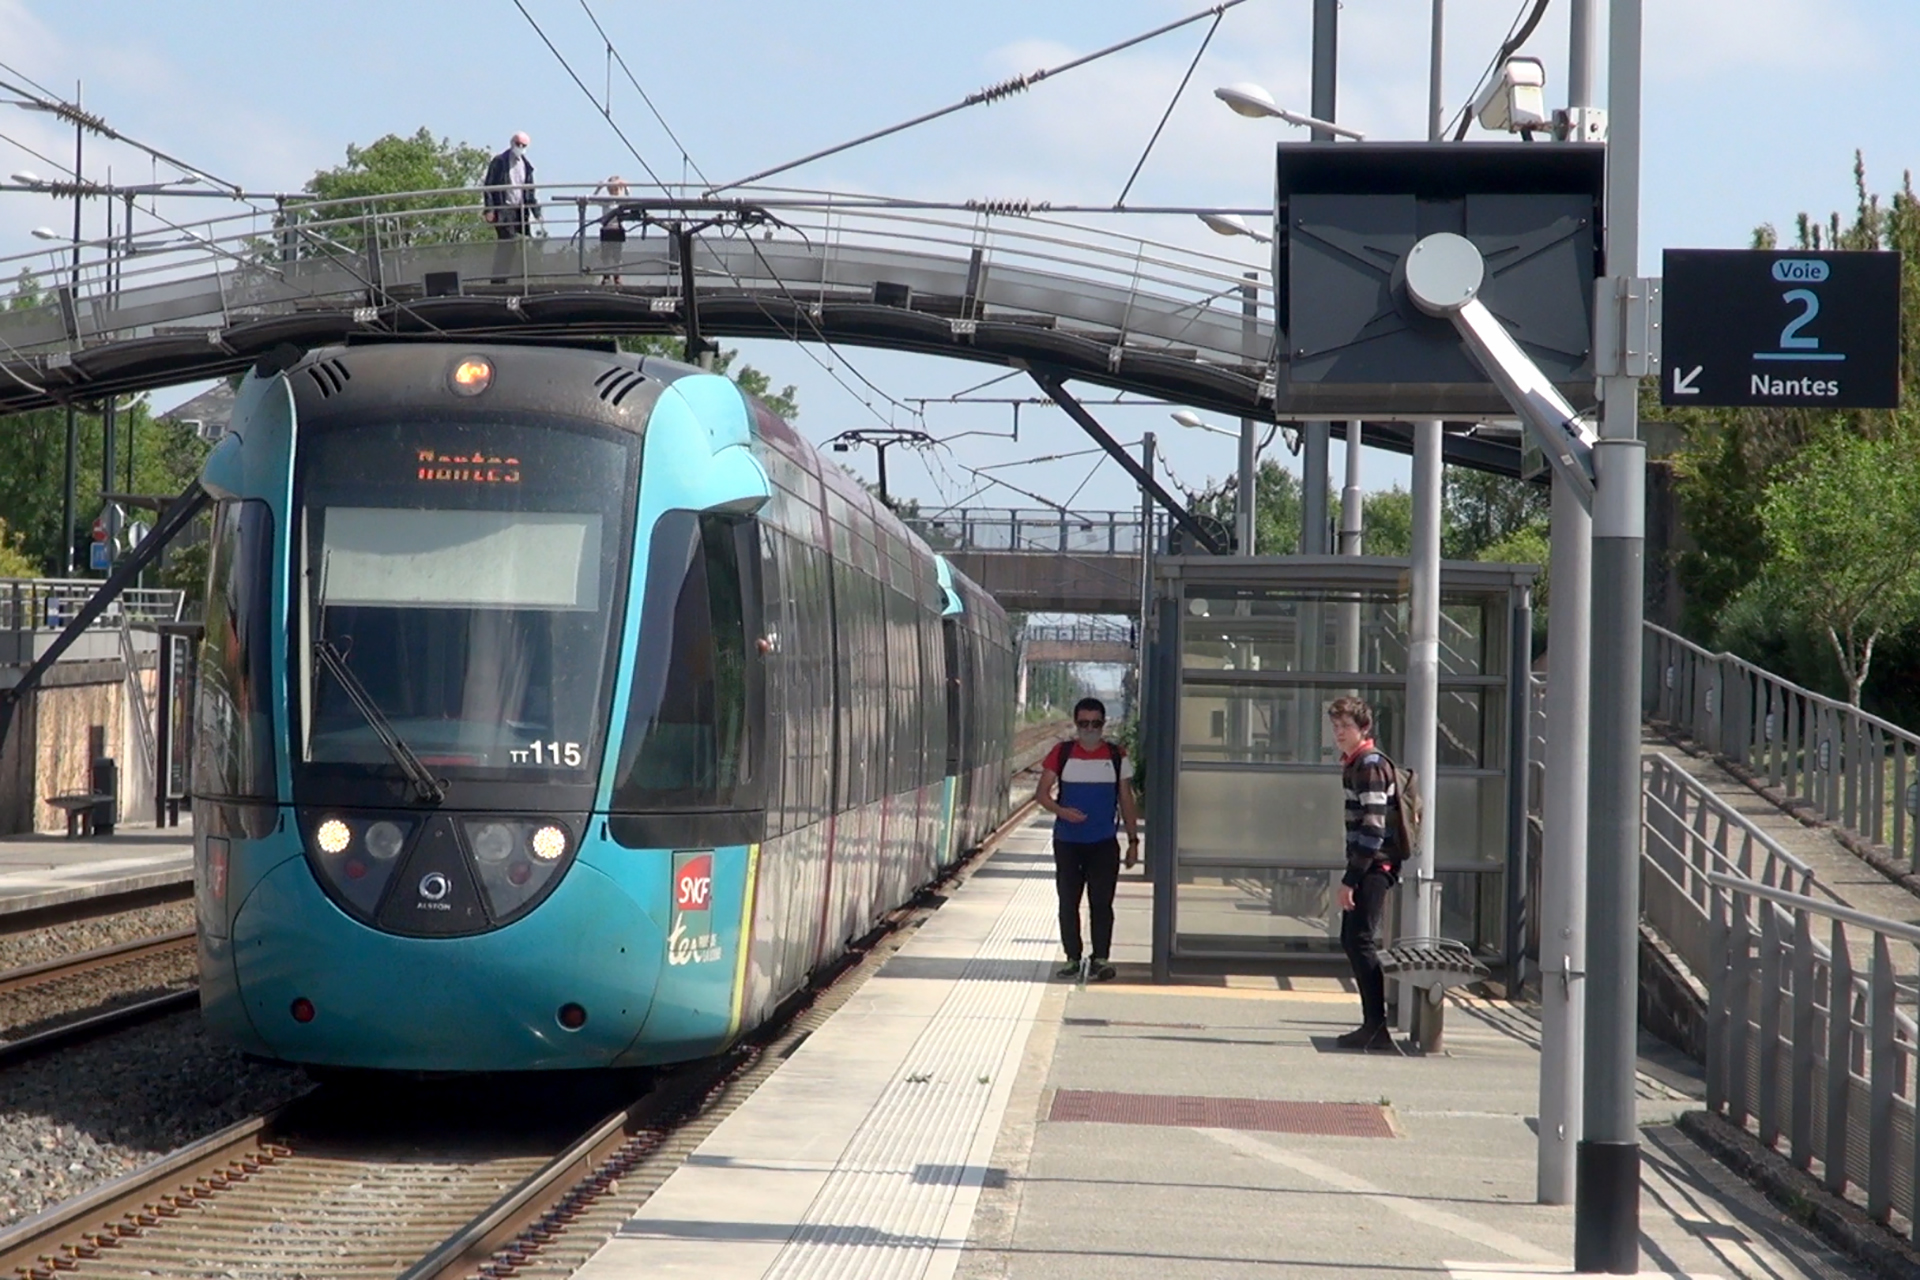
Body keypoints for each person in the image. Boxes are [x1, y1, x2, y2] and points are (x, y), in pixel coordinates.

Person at [1036, 697, 1139, 982]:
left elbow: (1126, 800)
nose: (1089, 729)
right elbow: (1042, 794)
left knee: (1101, 902)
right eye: (1084, 723)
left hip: (1104, 842)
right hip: (1068, 841)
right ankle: (1072, 957)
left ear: (1103, 724)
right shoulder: (1062, 753)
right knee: (1068, 900)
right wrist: (1061, 812)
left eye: (1095, 723)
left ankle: (1101, 958)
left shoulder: (1117, 756)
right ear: (1076, 723)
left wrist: (1133, 841)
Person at [1329, 695, 1402, 1051]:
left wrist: (1350, 879)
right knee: (1353, 939)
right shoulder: (1355, 763)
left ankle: (1376, 1026)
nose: (1339, 733)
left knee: (1359, 940)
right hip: (1368, 864)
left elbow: (1373, 829)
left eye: (1346, 726)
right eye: (1336, 726)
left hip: (1375, 864)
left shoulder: (1369, 765)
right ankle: (1373, 1024)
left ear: (1364, 728)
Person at [484, 133, 540, 283]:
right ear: (511, 143)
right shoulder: (499, 162)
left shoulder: (526, 166)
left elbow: (529, 191)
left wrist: (537, 212)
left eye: (523, 145)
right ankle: (498, 280)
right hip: (504, 209)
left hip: (519, 211)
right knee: (507, 242)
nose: (520, 148)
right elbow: (489, 186)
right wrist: (489, 209)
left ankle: (507, 279)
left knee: (515, 245)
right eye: (518, 144)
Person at [595, 176, 631, 285]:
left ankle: (617, 277)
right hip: (607, 229)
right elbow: (593, 199)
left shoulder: (621, 201)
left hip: (617, 229)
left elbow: (629, 199)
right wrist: (599, 188)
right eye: (611, 188)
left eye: (615, 188)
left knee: (617, 256)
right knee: (605, 256)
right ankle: (606, 276)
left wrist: (625, 187)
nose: (613, 190)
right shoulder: (606, 201)